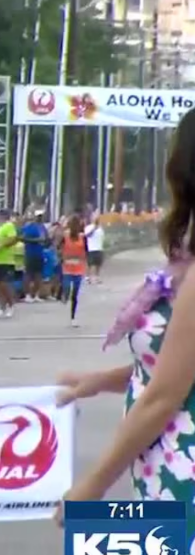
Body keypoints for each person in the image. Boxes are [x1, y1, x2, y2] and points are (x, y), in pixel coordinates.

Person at [53, 108, 195, 529]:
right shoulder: (184, 266)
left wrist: (92, 488)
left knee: (107, 538)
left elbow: (165, 396)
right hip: (163, 472)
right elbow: (178, 366)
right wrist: (103, 382)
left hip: (180, 480)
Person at [59, 214, 88, 327]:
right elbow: (59, 246)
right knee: (67, 288)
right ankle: (64, 296)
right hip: (67, 266)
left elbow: (86, 250)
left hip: (78, 267)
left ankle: (73, 317)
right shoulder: (65, 235)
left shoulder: (82, 237)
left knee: (75, 294)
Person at [0, 209, 19, 319]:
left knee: (4, 284)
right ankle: (1, 308)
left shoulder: (9, 226)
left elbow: (13, 238)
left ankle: (11, 305)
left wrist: (2, 245)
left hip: (7, 260)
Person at [19, 212, 48, 302]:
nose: (40, 218)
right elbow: (22, 237)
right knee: (28, 274)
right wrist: (35, 240)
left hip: (40, 253)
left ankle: (35, 295)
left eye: (41, 216)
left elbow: (45, 238)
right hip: (30, 253)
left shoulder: (42, 227)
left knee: (38, 274)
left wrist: (43, 241)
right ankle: (27, 295)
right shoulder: (29, 226)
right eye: (39, 216)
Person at [84, 214, 105, 283]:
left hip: (99, 248)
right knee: (91, 264)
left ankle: (97, 277)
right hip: (91, 248)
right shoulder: (88, 227)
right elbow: (87, 235)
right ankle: (88, 277)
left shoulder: (101, 228)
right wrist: (94, 228)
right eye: (94, 218)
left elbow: (102, 238)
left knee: (98, 264)